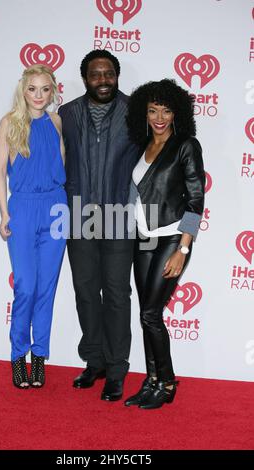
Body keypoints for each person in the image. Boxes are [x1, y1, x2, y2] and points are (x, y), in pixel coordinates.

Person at [59, 50, 139, 401]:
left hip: (119, 214)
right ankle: (95, 361)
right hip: (78, 215)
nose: (103, 79)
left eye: (108, 73)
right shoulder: (67, 113)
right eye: (95, 74)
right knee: (86, 292)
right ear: (85, 78)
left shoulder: (136, 111)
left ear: (117, 76)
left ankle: (117, 369)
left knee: (118, 295)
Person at [125, 79, 205, 409]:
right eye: (153, 110)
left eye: (167, 110)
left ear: (177, 113)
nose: (159, 117)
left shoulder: (186, 145)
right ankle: (152, 379)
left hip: (172, 237)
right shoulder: (141, 144)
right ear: (144, 112)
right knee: (147, 315)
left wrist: (183, 248)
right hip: (142, 238)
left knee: (150, 313)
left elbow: (196, 199)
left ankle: (167, 383)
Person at [0, 64, 67, 389]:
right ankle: (17, 356)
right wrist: (4, 213)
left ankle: (39, 358)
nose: (38, 95)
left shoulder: (56, 121)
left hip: (56, 208)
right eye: (32, 89)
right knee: (25, 286)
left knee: (46, 290)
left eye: (45, 89)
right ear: (23, 91)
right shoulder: (9, 123)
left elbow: (60, 162)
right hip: (22, 208)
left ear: (52, 92)